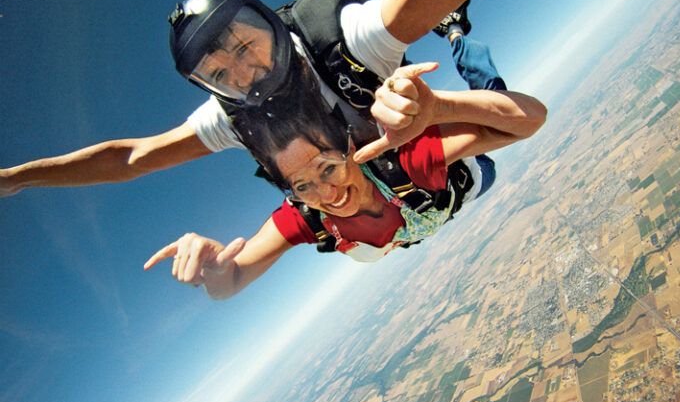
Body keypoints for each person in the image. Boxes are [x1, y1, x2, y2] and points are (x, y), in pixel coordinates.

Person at [0, 0, 526, 198]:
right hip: (400, 202)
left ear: (271, 22)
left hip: (461, 164)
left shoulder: (344, 37)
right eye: (221, 74)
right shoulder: (234, 116)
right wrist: (19, 178)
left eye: (245, 45)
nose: (247, 74)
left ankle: (456, 35)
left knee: (490, 95)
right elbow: (133, 158)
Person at [143, 61, 546, 296]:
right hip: (447, 203)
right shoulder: (306, 217)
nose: (326, 194)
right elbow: (228, 283)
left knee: (490, 90)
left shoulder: (405, 162)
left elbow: (528, 119)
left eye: (327, 168)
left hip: (474, 177)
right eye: (302, 186)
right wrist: (213, 266)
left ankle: (458, 34)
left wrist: (439, 107)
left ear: (351, 150)